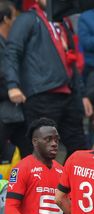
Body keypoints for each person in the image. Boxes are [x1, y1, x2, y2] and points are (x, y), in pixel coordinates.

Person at [3, 0, 90, 157]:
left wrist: (82, 94)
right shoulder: (27, 19)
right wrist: (12, 85)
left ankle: (69, 181)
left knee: (78, 147)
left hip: (68, 93)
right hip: (42, 94)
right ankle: (39, 182)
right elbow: (12, 51)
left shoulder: (63, 22)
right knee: (41, 150)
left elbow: (72, 61)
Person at [5, 118, 65, 214]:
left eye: (56, 139)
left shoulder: (62, 171)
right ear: (35, 142)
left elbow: (67, 207)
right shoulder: (22, 168)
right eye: (48, 139)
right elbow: (10, 209)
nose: (54, 143)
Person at [0, 0, 32, 161]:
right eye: (14, 18)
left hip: (16, 112)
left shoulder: (10, 43)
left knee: (29, 153)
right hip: (4, 109)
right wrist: (11, 90)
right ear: (6, 18)